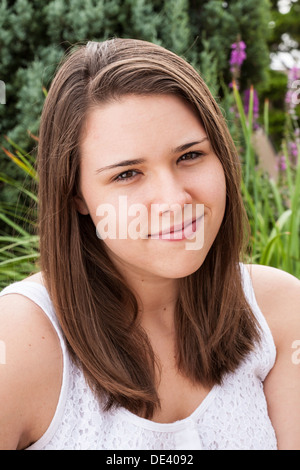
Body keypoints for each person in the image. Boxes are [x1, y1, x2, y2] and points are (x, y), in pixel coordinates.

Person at [0, 38, 299, 451]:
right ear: (77, 195)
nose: (175, 200)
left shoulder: (279, 312)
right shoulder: (17, 343)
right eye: (127, 174)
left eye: (190, 156)